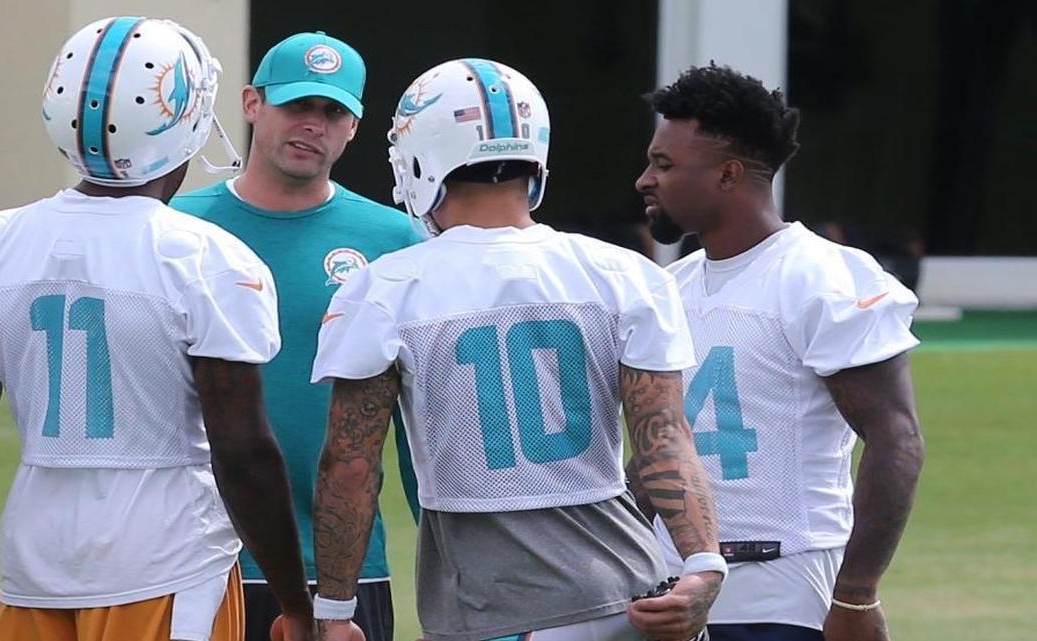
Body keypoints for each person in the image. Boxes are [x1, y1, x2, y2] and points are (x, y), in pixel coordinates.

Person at [0, 17, 314, 641]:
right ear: (185, 118)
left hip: (34, 566)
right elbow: (242, 450)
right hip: (169, 565)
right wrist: (296, 605)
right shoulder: (205, 257)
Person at [308, 58, 724, 641]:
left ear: (421, 157)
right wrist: (704, 563)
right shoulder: (623, 273)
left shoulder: (386, 289)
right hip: (632, 599)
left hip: (495, 610)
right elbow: (664, 438)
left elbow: (350, 468)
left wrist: (333, 611)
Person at [633, 63, 925, 641]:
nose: (645, 179)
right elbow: (656, 450)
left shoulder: (822, 276)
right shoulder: (669, 288)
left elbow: (896, 439)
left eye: (664, 164)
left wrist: (857, 596)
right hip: (673, 592)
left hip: (783, 594)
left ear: (728, 174)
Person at [171, 31, 423, 641]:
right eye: (298, 106)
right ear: (252, 103)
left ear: (354, 128)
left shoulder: (398, 241)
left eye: (333, 112)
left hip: (341, 568)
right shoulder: (177, 227)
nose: (314, 125)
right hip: (191, 556)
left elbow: (425, 425)